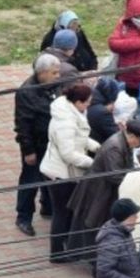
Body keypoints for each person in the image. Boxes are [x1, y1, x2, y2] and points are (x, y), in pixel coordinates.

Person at [68, 119, 140, 262]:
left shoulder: (124, 142)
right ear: (133, 137)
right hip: (98, 190)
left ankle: (93, 258)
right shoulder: (115, 147)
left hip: (103, 188)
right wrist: (134, 181)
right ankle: (95, 261)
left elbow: (127, 166)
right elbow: (115, 176)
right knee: (94, 223)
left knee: (95, 223)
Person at [39, 83, 97, 261]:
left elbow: (81, 139)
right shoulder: (66, 122)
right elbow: (68, 154)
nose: (89, 105)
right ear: (78, 102)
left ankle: (65, 244)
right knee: (62, 212)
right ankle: (57, 253)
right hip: (59, 173)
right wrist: (93, 163)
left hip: (62, 170)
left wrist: (98, 147)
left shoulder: (71, 112)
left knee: (66, 211)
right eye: (87, 102)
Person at [14, 53, 60, 236]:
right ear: (42, 73)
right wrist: (28, 151)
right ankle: (23, 217)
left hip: (51, 143)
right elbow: (22, 125)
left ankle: (47, 207)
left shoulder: (53, 86)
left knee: (51, 176)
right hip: (35, 144)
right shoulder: (27, 92)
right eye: (54, 73)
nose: (58, 76)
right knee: (30, 179)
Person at [86, 78, 124, 144]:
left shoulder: (87, 98)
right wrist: (122, 129)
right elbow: (116, 135)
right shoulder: (103, 112)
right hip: (97, 145)